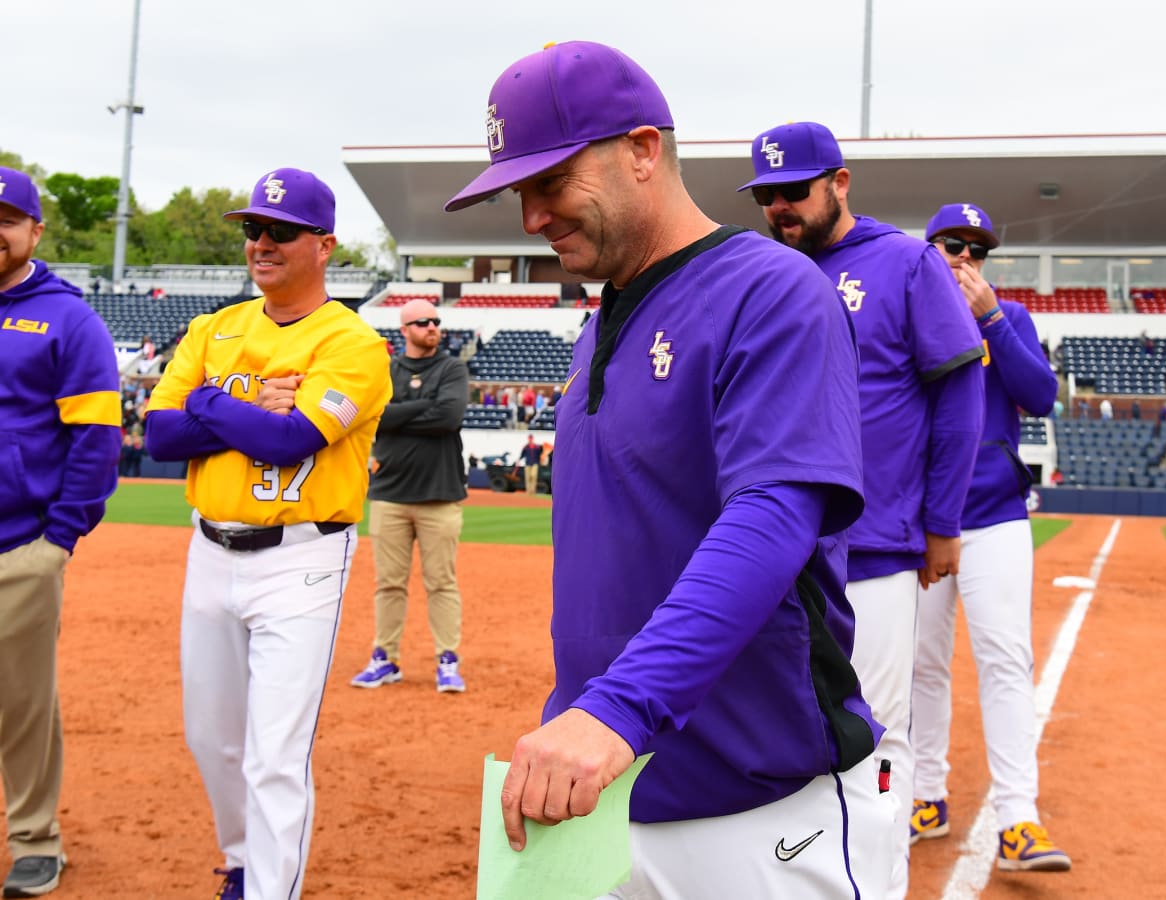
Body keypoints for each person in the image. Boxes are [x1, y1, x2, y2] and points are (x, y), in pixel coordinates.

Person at [445, 41, 890, 897]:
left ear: (643, 150)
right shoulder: (601, 321)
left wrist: (618, 707)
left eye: (553, 182)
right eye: (519, 192)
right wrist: (588, 712)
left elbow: (771, 516)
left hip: (756, 811)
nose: (532, 217)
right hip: (603, 799)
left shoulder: (773, 289)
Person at [739, 124, 985, 898]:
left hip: (873, 546)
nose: (781, 206)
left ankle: (879, 884)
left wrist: (943, 521)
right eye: (768, 195)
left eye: (796, 191)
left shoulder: (905, 261)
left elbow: (960, 390)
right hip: (776, 551)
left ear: (840, 183)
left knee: (876, 737)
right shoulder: (763, 270)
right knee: (788, 730)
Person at [142, 167, 391, 900]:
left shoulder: (353, 343)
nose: (261, 243)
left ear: (324, 245)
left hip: (301, 557)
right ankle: (245, 863)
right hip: (209, 550)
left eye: (281, 231)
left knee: (274, 754)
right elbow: (158, 434)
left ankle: (267, 891)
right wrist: (246, 403)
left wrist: (210, 404)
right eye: (253, 229)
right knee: (213, 741)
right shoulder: (212, 327)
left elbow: (292, 443)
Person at [910, 203, 1071, 872]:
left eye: (978, 250)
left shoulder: (1010, 317)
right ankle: (925, 796)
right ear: (929, 249)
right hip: (921, 519)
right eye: (954, 245)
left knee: (1006, 659)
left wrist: (993, 320)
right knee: (919, 664)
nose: (967, 259)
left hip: (995, 513)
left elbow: (1040, 395)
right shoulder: (905, 310)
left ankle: (1019, 819)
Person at [0, 167, 121, 898]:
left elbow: (98, 436)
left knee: (20, 701)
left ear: (36, 231)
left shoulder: (69, 319)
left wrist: (58, 540)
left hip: (20, 545)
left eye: (8, 219)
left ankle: (34, 839)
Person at [349, 298, 469, 693]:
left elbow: (450, 416)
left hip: (440, 494)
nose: (431, 326)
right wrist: (418, 411)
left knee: (441, 582)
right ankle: (385, 658)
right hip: (390, 495)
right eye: (422, 322)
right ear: (404, 330)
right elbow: (374, 415)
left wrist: (398, 414)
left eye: (435, 321)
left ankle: (447, 660)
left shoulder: (452, 367)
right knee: (389, 583)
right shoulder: (386, 369)